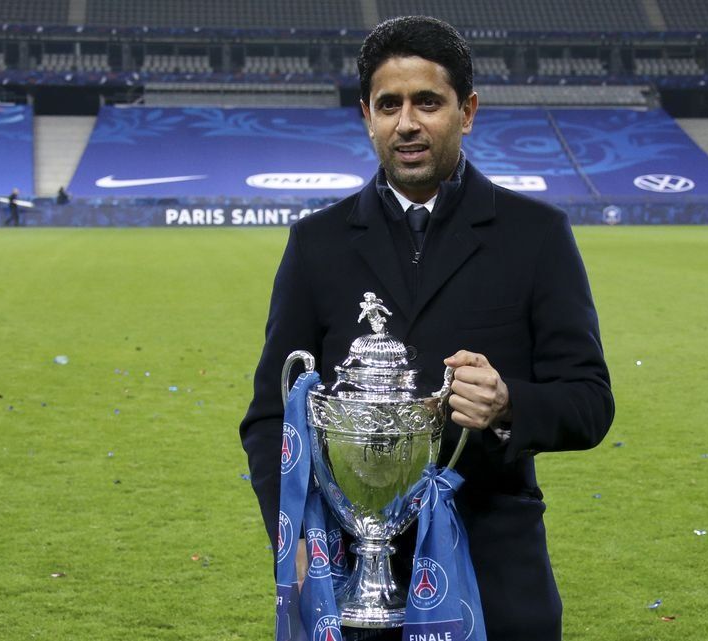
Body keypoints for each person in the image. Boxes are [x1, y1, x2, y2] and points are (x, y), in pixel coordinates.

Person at [240, 16, 614, 641]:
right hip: (352, 586)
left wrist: (508, 404)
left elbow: (589, 401)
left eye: (428, 102)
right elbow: (270, 415)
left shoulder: (536, 235)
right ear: (367, 116)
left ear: (467, 112)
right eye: (389, 105)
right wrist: (298, 545)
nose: (407, 123)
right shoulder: (316, 244)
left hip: (496, 575)